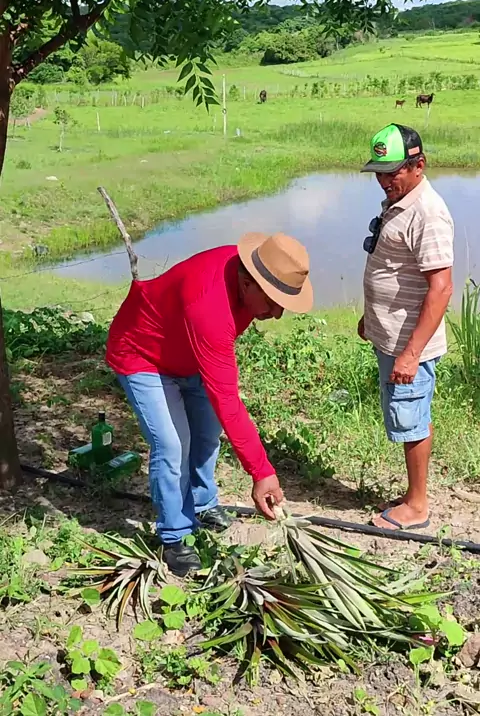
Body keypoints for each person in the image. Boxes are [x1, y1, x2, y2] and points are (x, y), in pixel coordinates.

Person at [106, 232, 313, 574]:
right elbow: (227, 399)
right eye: (272, 302)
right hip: (144, 355)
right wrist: (262, 472)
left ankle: (202, 503)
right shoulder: (209, 302)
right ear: (247, 283)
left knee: (206, 435)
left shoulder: (255, 269)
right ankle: (174, 535)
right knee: (172, 445)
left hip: (191, 355)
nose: (276, 314)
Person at [358, 123, 454, 531]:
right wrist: (371, 316)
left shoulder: (428, 213)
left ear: (419, 165)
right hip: (391, 334)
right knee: (411, 414)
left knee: (410, 419)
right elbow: (393, 269)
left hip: (409, 343)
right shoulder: (400, 202)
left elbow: (441, 288)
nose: (384, 181)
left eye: (392, 172)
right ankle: (414, 494)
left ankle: (417, 507)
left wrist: (412, 353)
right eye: (379, 172)